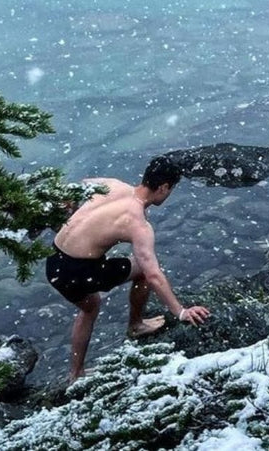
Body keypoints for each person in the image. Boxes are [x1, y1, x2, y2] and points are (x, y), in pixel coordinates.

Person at [46, 156, 211, 382]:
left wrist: (70, 209)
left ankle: (75, 373)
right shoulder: (137, 223)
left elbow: (80, 184)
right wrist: (180, 311)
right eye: (170, 189)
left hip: (54, 259)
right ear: (163, 187)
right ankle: (135, 325)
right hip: (77, 270)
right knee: (140, 271)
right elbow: (153, 274)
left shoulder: (113, 185)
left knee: (90, 306)